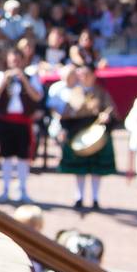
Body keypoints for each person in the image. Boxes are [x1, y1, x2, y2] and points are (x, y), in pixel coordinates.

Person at [53, 64, 117, 211]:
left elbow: (112, 112)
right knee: (79, 169)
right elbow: (66, 116)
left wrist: (107, 117)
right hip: (79, 134)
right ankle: (79, 197)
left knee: (96, 169)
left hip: (97, 135)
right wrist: (66, 126)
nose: (84, 77)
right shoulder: (74, 93)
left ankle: (95, 198)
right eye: (81, 75)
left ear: (93, 75)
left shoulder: (101, 93)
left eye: (87, 74)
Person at [0, 47, 43, 202]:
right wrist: (5, 80)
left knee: (23, 157)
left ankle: (23, 189)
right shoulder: (0, 75)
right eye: (13, 60)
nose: (15, 63)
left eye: (18, 60)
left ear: (23, 61)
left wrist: (24, 80)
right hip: (5, 121)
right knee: (5, 156)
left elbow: (37, 96)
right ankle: (5, 189)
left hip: (23, 121)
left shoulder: (31, 77)